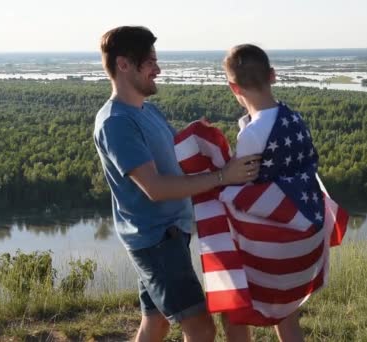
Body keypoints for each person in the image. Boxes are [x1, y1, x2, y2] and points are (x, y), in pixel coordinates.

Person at [93, 26, 261, 342]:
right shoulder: (116, 122)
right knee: (200, 329)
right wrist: (225, 177)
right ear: (124, 64)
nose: (158, 69)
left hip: (169, 234)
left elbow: (174, 156)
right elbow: (155, 187)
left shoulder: (146, 111)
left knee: (155, 323)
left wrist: (195, 134)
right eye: (150, 62)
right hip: (157, 241)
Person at [221, 43, 309, 342]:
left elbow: (241, 189)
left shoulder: (253, 134)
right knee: (287, 316)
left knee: (234, 311)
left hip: (264, 243)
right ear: (272, 75)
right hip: (298, 234)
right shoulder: (295, 120)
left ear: (234, 87)